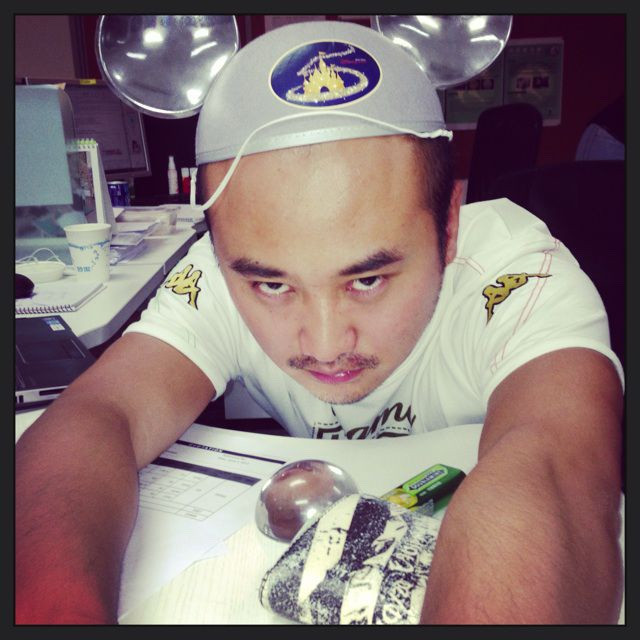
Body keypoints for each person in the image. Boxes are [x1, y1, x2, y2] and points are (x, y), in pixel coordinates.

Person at [16, 20, 624, 624]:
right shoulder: (222, 270)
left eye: (368, 279)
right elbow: (101, 412)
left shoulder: (518, 274)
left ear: (449, 228)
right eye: (273, 286)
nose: (327, 345)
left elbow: (553, 470)